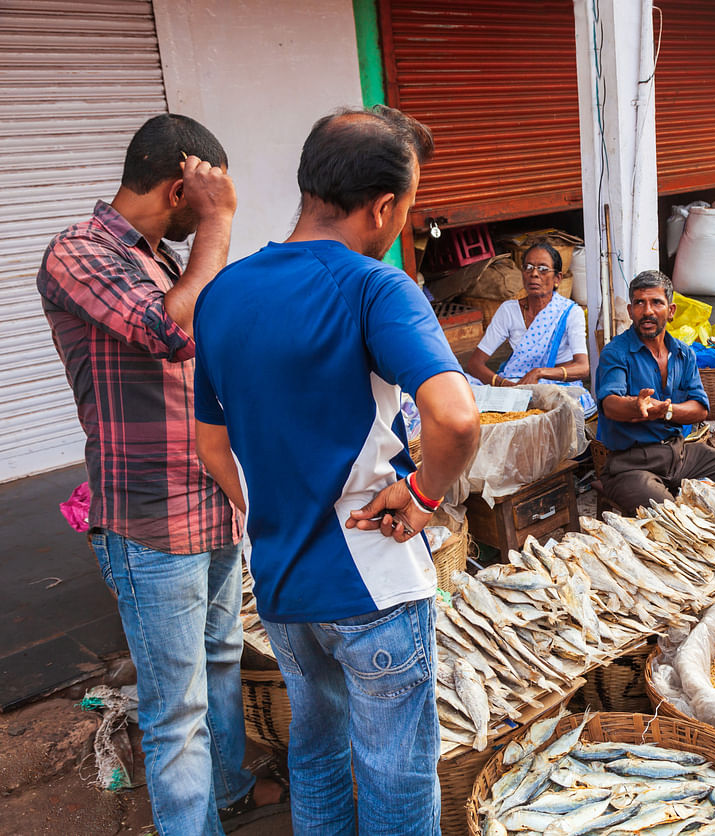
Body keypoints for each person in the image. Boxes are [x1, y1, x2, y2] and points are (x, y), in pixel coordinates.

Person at [193, 106, 481, 833]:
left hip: (284, 584)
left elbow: (209, 443)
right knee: (395, 781)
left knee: (316, 756)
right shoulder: (374, 288)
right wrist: (420, 493)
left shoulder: (221, 293)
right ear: (384, 206)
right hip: (374, 578)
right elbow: (455, 418)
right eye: (409, 209)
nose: (404, 226)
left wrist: (273, 510)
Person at [36, 114, 286, 834]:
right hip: (150, 519)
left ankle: (231, 790)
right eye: (204, 199)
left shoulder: (158, 259)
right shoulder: (78, 252)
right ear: (183, 188)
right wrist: (219, 225)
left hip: (208, 505)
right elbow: (172, 332)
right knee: (176, 709)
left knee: (220, 661)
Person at [595, 270, 715, 513]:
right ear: (631, 312)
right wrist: (635, 406)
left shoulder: (684, 353)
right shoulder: (615, 352)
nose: (647, 311)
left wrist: (666, 411)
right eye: (639, 303)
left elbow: (700, 409)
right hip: (631, 464)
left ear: (670, 311)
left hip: (679, 454)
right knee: (671, 517)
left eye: (656, 303)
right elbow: (610, 403)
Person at [465, 241, 594, 415]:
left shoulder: (570, 312)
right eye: (528, 267)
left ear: (557, 278)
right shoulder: (508, 310)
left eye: (543, 269)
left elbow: (583, 368)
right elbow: (474, 364)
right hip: (515, 384)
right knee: (461, 384)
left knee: (564, 404)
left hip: (555, 386)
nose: (534, 274)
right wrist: (505, 385)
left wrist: (539, 373)